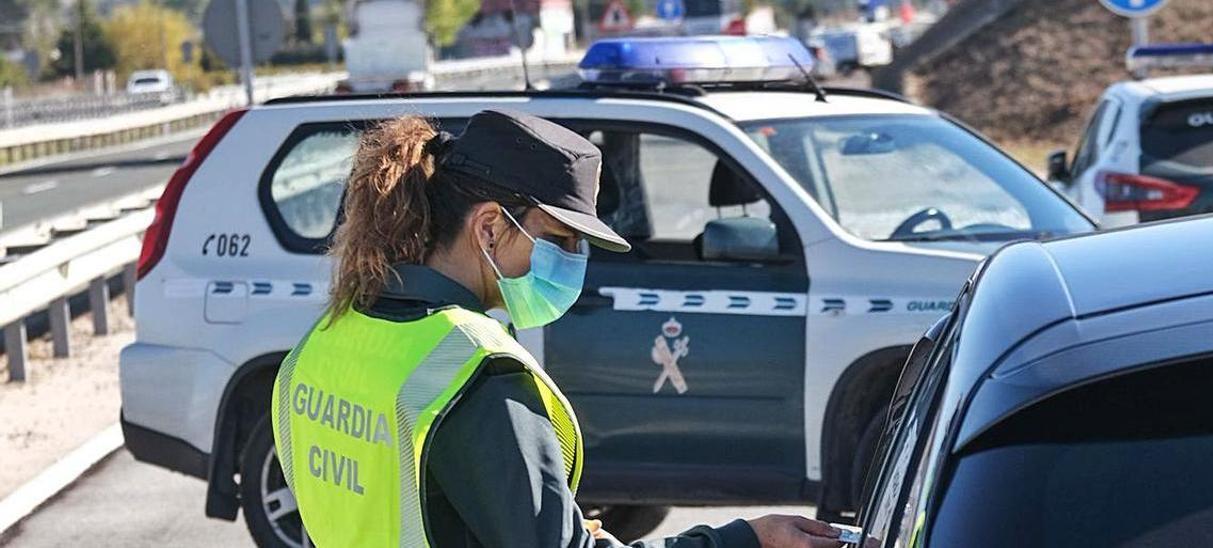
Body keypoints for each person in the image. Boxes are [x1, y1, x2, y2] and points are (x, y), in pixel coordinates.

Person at [271, 110, 844, 548]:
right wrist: (744, 539)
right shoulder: (471, 374)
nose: (573, 262)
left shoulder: (321, 346)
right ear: (490, 228)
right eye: (560, 241)